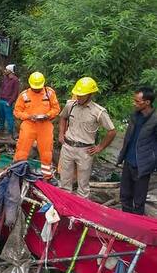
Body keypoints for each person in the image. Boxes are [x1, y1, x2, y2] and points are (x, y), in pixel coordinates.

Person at [58, 77, 116, 198]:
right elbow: (63, 117)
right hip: (68, 147)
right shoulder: (71, 105)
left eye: (82, 95)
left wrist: (99, 147)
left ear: (90, 94)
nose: (78, 97)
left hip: (85, 151)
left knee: (83, 186)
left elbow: (112, 131)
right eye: (77, 95)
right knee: (64, 182)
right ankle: (63, 207)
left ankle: (80, 210)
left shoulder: (98, 111)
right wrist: (61, 134)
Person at [117, 87, 157, 215]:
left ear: (147, 102)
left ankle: (137, 228)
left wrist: (152, 161)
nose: (134, 103)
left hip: (143, 164)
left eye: (137, 101)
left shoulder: (155, 119)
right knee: (124, 195)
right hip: (128, 161)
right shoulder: (135, 115)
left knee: (139, 200)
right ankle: (125, 222)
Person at [13, 72, 60, 180]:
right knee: (22, 151)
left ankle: (46, 177)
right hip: (28, 125)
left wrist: (47, 115)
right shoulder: (24, 95)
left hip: (45, 125)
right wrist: (29, 116)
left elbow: (56, 109)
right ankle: (17, 174)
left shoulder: (49, 93)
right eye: (35, 88)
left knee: (46, 152)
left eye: (39, 88)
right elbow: (17, 111)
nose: (37, 90)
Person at [0, 64, 19, 137]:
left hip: (7, 101)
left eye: (6, 70)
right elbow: (1, 88)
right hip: (1, 100)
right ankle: (1, 129)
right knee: (1, 116)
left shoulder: (15, 80)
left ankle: (11, 132)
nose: (5, 71)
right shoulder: (5, 78)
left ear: (10, 71)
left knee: (9, 117)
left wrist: (10, 102)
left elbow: (15, 92)